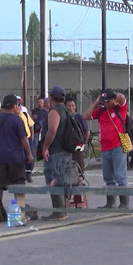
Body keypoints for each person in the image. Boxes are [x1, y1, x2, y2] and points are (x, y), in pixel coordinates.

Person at [84, 89, 133, 210]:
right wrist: (96, 102)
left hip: (117, 147)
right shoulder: (101, 111)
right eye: (103, 101)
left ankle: (124, 204)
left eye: (107, 101)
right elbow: (85, 116)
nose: (105, 103)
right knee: (108, 178)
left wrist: (114, 96)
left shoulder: (119, 108)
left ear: (113, 100)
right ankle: (110, 203)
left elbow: (122, 98)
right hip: (105, 149)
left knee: (120, 177)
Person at [0, 94, 33, 213]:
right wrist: (29, 154)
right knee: (18, 183)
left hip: (0, 157)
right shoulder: (16, 119)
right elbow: (24, 139)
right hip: (15, 157)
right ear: (14, 106)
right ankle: (19, 209)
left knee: (0, 184)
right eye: (18, 105)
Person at [40, 86, 75, 220]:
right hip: (65, 150)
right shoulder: (65, 110)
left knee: (53, 179)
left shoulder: (54, 111)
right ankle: (61, 210)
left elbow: (52, 131)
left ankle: (59, 211)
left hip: (55, 151)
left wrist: (45, 147)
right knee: (61, 179)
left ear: (51, 97)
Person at [65, 97, 90, 178]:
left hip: (78, 144)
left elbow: (87, 131)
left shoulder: (78, 117)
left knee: (79, 162)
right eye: (69, 106)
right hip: (67, 144)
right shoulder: (64, 117)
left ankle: (80, 177)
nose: (71, 108)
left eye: (72, 105)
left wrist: (84, 143)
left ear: (75, 106)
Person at [17, 99, 36, 182]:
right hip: (18, 140)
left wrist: (31, 138)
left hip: (27, 138)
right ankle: (21, 175)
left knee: (31, 157)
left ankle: (28, 174)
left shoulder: (24, 114)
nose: (18, 106)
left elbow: (31, 125)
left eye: (19, 104)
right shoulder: (13, 116)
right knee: (21, 157)